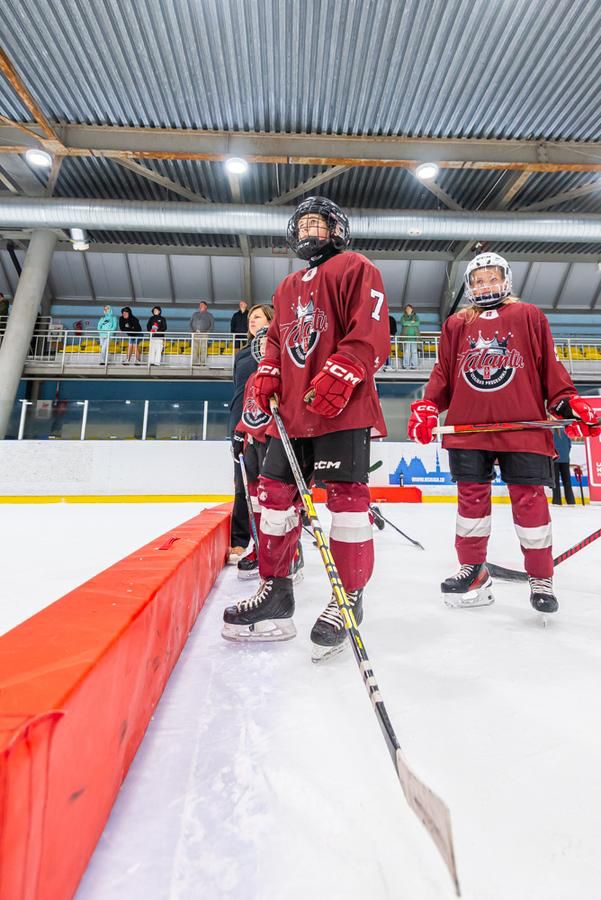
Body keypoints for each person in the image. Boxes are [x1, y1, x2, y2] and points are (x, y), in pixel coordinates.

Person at [222, 196, 390, 660]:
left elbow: (372, 328)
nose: (309, 231)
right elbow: (277, 341)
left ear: (336, 230)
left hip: (343, 409)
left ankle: (348, 597)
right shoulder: (287, 286)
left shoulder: (356, 267)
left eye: (318, 223)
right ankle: (276, 590)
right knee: (273, 497)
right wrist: (268, 371)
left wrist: (348, 365)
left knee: (347, 503)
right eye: (303, 225)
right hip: (292, 415)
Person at [407, 251, 600, 615]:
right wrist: (428, 405)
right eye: (478, 281)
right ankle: (473, 570)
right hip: (468, 428)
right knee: (471, 502)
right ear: (469, 287)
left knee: (530, 501)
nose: (485, 285)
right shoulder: (457, 324)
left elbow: (549, 366)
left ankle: (541, 577)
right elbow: (443, 373)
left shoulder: (529, 315)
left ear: (506, 280)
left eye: (492, 278)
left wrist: (566, 403)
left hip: (523, 428)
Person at [227, 304, 274, 564]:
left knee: (270, 480)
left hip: (266, 419)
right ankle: (240, 538)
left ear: (270, 320)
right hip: (239, 418)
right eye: (250, 319)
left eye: (257, 317)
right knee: (242, 479)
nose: (252, 321)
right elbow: (237, 388)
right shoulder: (242, 354)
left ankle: (274, 535)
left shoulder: (275, 347)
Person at [552, 428, 576, 506]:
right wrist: (565, 455)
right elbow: (569, 445)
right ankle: (570, 501)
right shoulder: (566, 431)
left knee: (555, 481)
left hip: (554, 459)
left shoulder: (550, 432)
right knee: (567, 481)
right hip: (565, 459)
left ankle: (556, 501)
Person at [190, 301, 214, 366]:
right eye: (200, 305)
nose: (200, 306)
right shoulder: (195, 314)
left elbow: (212, 325)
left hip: (204, 334)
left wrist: (207, 332)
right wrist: (192, 331)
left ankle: (202, 363)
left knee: (203, 349)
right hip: (195, 334)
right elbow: (190, 323)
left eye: (202, 305)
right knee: (194, 349)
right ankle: (194, 363)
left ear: (206, 306)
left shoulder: (209, 315)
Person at [401, 303, 420, 368]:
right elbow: (403, 323)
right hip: (406, 337)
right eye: (407, 309)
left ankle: (414, 365)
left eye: (409, 308)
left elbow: (417, 323)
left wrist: (408, 323)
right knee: (406, 352)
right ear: (405, 310)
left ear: (412, 309)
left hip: (414, 337)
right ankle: (406, 365)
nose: (408, 310)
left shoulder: (416, 317)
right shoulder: (403, 317)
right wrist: (412, 322)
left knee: (414, 352)